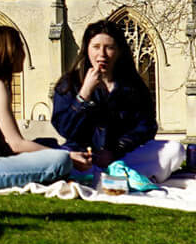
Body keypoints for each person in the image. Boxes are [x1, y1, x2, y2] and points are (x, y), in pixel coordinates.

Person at [0, 24, 88, 190]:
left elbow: (4, 145)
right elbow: (16, 144)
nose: (24, 54)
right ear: (9, 52)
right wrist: (67, 155)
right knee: (61, 159)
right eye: (20, 47)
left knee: (48, 144)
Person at [51, 20, 158, 170]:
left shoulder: (133, 85)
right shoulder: (69, 83)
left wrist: (116, 151)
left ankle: (112, 172)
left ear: (119, 51)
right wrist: (84, 94)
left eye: (109, 48)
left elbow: (147, 126)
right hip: (84, 155)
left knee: (174, 151)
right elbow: (65, 129)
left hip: (123, 155)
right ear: (87, 49)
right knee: (61, 156)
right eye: (96, 47)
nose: (102, 54)